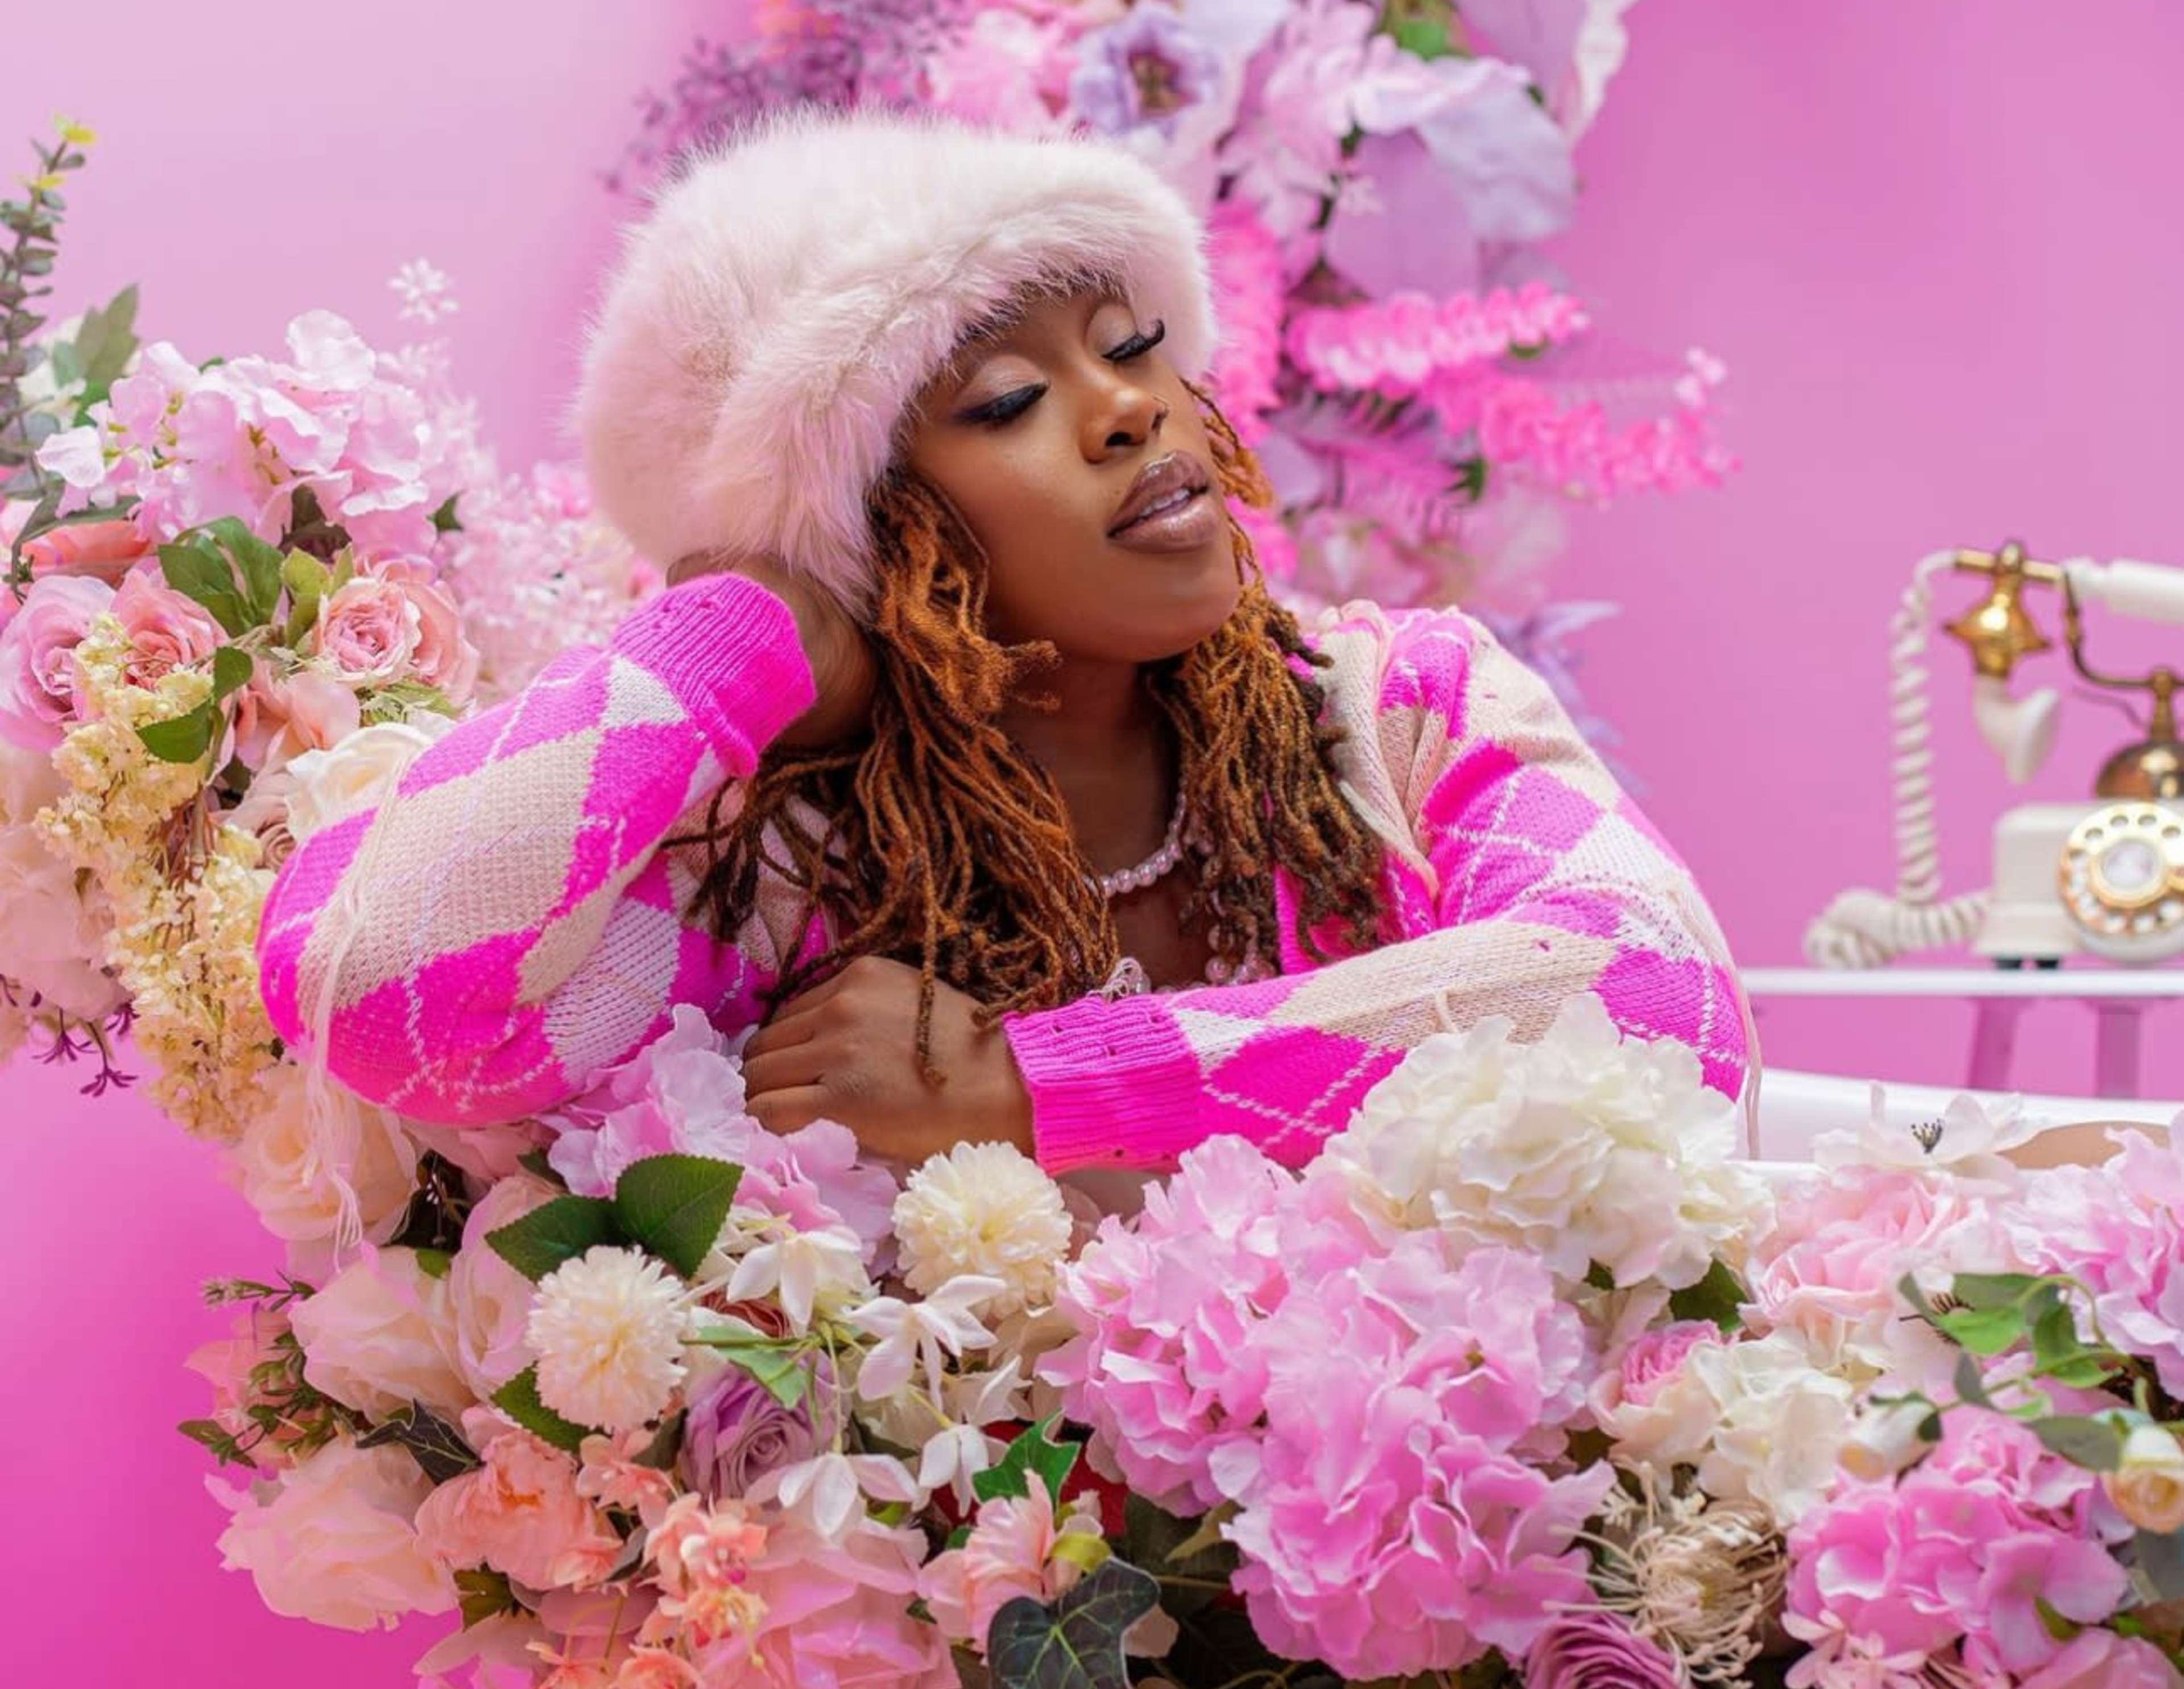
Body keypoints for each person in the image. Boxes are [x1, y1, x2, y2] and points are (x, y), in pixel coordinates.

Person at [257, 110, 1749, 1179]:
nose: (1127, 409)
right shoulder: (778, 887)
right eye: (1000, 402)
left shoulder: (1401, 714)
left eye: (1130, 344)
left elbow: (1662, 1006)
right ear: (876, 535)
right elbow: (376, 985)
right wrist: (748, 627)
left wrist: (1031, 1086)